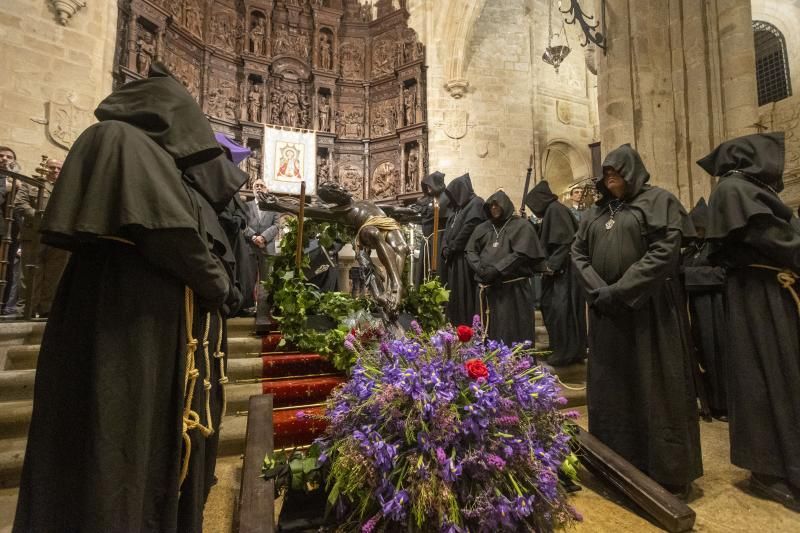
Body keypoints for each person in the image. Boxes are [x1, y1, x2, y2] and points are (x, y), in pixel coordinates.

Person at [14, 63, 245, 532]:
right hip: (128, 327)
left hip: (155, 329)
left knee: (144, 444)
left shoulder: (156, 158)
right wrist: (219, 285)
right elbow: (172, 236)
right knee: (117, 444)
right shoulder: (121, 142)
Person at [571, 144, 702, 496]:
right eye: (607, 172)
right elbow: (577, 252)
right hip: (607, 314)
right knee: (613, 387)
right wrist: (600, 290)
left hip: (649, 311)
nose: (611, 176)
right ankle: (615, 462)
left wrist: (622, 290)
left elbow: (664, 251)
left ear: (634, 171)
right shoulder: (596, 213)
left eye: (617, 171)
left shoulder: (659, 201)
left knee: (656, 385)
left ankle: (667, 469)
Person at [699, 132, 800, 511]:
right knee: (768, 376)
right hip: (760, 298)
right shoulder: (735, 189)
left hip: (771, 293)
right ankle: (770, 468)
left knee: (781, 376)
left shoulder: (748, 189)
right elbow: (776, 239)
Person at [466, 190, 545, 345]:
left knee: (511, 332)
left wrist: (497, 270)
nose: (494, 208)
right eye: (491, 206)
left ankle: (513, 367)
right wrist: (480, 269)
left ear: (506, 206)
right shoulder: (482, 228)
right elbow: (470, 250)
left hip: (512, 291)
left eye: (497, 205)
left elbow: (521, 253)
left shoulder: (521, 225)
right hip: (488, 289)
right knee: (489, 333)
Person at [525, 180, 586, 366]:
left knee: (560, 311)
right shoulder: (553, 211)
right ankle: (568, 349)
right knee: (558, 310)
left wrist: (551, 266)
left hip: (563, 273)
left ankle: (565, 352)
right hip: (562, 272)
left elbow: (564, 241)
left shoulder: (555, 210)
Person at [680, 198, 727, 420]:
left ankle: (723, 404)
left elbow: (723, 274)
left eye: (700, 228)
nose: (697, 232)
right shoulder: (689, 250)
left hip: (715, 308)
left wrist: (687, 276)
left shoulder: (718, 247)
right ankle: (707, 400)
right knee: (702, 355)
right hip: (694, 310)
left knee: (718, 354)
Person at [14, 158, 69, 318]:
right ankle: (26, 309)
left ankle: (47, 309)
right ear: (45, 168)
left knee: (54, 274)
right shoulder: (30, 184)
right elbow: (20, 204)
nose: (55, 171)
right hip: (34, 235)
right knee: (30, 274)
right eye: (52, 167)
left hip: (58, 235)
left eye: (59, 168)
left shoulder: (67, 187)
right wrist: (39, 216)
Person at [441, 173, 485, 326]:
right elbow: (447, 229)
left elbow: (469, 228)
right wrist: (445, 246)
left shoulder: (476, 203)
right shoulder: (458, 209)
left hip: (466, 258)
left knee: (465, 293)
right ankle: (457, 326)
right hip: (454, 257)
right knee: (456, 294)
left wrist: (452, 247)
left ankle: (468, 327)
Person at [0, 146, 21, 314]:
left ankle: (3, 305)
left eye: (9, 156)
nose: (5, 159)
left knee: (7, 270)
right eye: (1, 156)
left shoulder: (19, 180)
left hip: (12, 229)